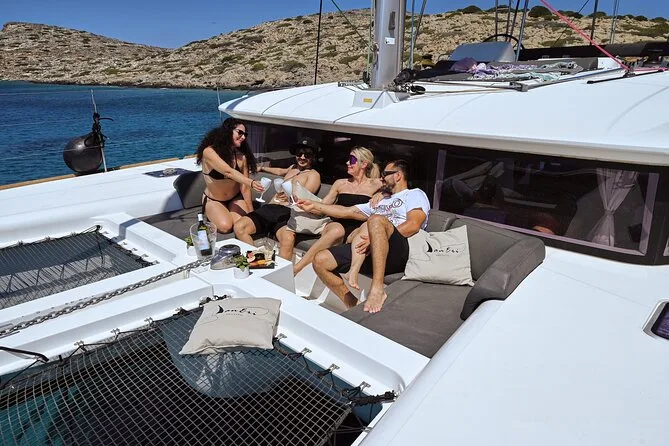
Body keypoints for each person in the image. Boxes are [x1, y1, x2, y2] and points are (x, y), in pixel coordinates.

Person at [297, 160, 430, 313]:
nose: (381, 178)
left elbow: (413, 224)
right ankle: (352, 305)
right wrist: (314, 205)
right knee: (320, 260)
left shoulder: (414, 194)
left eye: (385, 174)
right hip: (370, 248)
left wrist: (379, 236)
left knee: (376, 220)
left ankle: (377, 289)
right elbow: (348, 211)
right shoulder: (381, 200)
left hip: (398, 250)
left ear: (398, 176)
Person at [292, 146, 382, 275]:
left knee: (358, 236)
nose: (347, 163)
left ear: (364, 164)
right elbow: (323, 207)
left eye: (352, 160)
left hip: (358, 228)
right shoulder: (340, 183)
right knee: (337, 230)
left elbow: (395, 194)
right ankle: (297, 268)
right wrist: (304, 204)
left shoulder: (377, 184)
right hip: (336, 224)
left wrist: (383, 194)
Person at [234, 136, 321, 259]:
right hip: (270, 208)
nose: (302, 157)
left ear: (313, 157)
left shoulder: (313, 175)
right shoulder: (293, 168)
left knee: (288, 239)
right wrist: (262, 168)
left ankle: (281, 270)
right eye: (299, 153)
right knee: (239, 227)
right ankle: (256, 261)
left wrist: (289, 196)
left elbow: (305, 198)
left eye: (307, 155)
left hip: (287, 212)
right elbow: (280, 171)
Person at [196, 118, 264, 233]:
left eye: (245, 134)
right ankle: (210, 214)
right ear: (227, 131)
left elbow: (244, 187)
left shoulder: (241, 157)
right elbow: (228, 172)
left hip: (235, 198)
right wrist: (251, 182)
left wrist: (252, 213)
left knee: (241, 225)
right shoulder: (209, 152)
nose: (243, 137)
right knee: (226, 227)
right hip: (214, 200)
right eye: (240, 132)